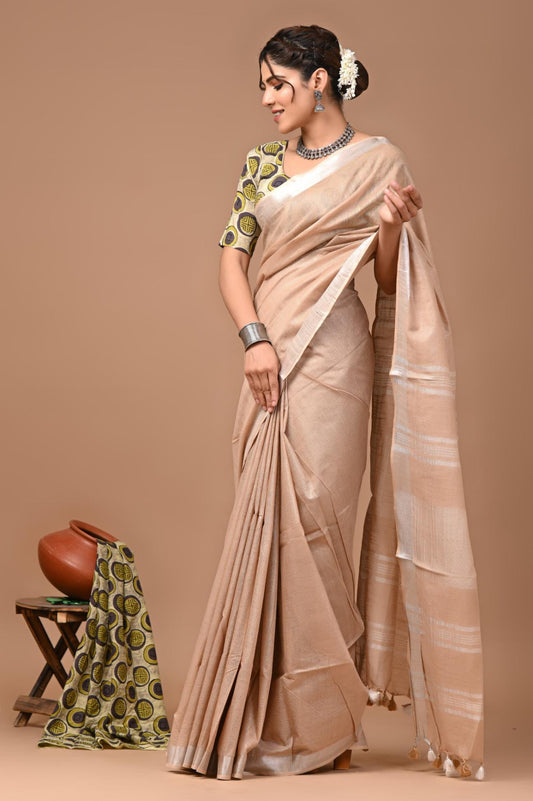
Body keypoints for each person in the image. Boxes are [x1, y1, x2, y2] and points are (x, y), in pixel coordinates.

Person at [166, 24, 485, 782]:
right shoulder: (260, 165)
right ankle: (261, 719)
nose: (266, 99)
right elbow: (231, 260)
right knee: (267, 521)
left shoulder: (380, 162)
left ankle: (323, 726)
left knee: (320, 524)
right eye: (262, 86)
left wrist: (388, 228)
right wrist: (253, 339)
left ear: (319, 81)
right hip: (269, 356)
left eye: (277, 83)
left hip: (334, 355)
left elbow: (385, 283)